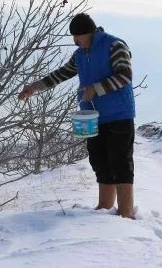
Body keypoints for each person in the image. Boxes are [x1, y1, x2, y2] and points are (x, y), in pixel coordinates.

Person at [18, 13, 136, 219]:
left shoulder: (114, 45)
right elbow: (62, 73)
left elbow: (125, 75)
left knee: (120, 162)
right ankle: (104, 209)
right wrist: (34, 87)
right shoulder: (80, 54)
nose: (75, 42)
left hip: (119, 114)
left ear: (88, 32)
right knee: (100, 162)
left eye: (77, 37)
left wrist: (96, 89)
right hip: (92, 116)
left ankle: (126, 213)